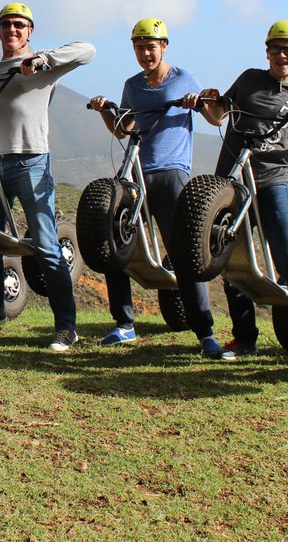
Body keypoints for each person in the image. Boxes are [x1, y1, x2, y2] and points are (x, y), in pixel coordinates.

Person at [196, 20, 288, 370]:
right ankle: (244, 338)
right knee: (231, 262)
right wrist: (208, 101)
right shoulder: (249, 78)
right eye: (276, 49)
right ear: (267, 51)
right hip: (231, 185)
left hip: (271, 183)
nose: (282, 55)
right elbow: (218, 118)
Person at [0, 3, 95, 351]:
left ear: (30, 31)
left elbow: (88, 49)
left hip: (32, 163)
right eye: (6, 25)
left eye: (19, 25)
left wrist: (44, 61)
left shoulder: (41, 66)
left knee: (45, 245)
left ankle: (66, 328)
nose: (12, 30)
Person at [88, 18, 219, 355]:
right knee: (113, 243)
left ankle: (205, 333)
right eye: (139, 47)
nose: (145, 53)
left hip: (171, 171)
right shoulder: (132, 85)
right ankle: (124, 324)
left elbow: (216, 119)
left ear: (164, 47)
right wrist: (106, 111)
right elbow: (123, 128)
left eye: (151, 47)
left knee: (184, 252)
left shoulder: (184, 79)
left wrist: (198, 102)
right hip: (134, 170)